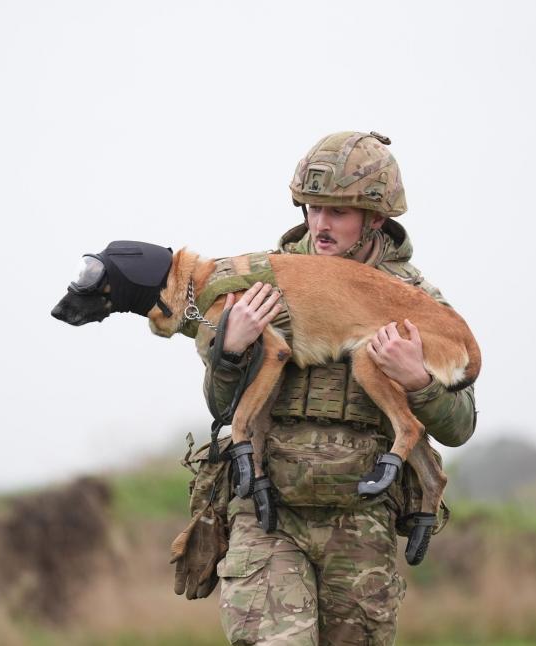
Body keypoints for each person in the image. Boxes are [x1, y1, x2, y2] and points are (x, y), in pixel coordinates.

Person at [201, 131, 477, 645]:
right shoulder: (260, 281)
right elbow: (220, 406)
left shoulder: (416, 299)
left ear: (376, 219)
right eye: (312, 209)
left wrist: (418, 381)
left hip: (360, 521)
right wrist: (229, 352)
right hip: (267, 514)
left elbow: (461, 426)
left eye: (338, 213)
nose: (321, 224)